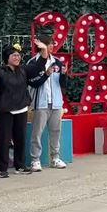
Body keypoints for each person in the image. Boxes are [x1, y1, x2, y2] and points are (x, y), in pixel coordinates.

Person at [0, 44, 33, 178]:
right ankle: (3, 168)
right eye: (14, 56)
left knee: (20, 138)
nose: (17, 58)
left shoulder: (23, 71)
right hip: (5, 110)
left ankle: (20, 165)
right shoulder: (0, 72)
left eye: (18, 55)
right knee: (4, 139)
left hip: (21, 108)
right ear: (7, 58)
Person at [26, 36, 68, 172]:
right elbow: (33, 82)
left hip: (56, 102)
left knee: (56, 131)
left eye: (52, 44)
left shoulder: (58, 62)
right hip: (40, 102)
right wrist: (46, 73)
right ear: (41, 46)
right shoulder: (33, 62)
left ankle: (55, 158)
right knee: (37, 133)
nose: (51, 46)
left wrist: (64, 75)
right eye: (48, 44)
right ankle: (35, 160)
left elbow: (63, 85)